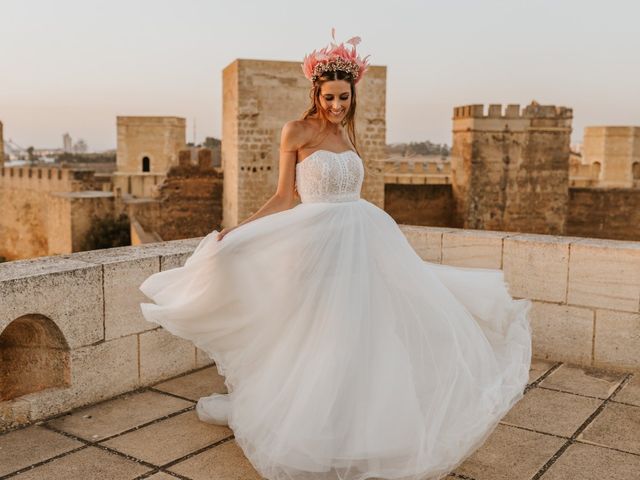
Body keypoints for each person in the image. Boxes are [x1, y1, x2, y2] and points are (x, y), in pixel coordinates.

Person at [139, 28, 532, 480]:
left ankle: (356, 427)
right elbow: (285, 197)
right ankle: (309, 427)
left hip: (364, 239)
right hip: (316, 245)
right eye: (329, 97)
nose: (337, 106)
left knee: (363, 333)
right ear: (315, 92)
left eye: (344, 97)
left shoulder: (347, 134)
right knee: (320, 334)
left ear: (353, 94)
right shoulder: (296, 131)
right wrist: (239, 230)